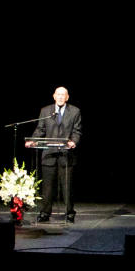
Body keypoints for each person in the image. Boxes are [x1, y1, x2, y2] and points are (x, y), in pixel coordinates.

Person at [25, 86, 82, 222]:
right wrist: (32, 141)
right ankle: (45, 212)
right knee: (47, 186)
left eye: (63, 95)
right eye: (58, 94)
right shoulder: (46, 111)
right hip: (49, 154)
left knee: (66, 186)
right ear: (54, 96)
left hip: (66, 154)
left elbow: (77, 131)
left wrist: (73, 141)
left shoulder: (75, 111)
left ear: (67, 97)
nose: (61, 97)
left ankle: (69, 212)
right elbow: (40, 129)